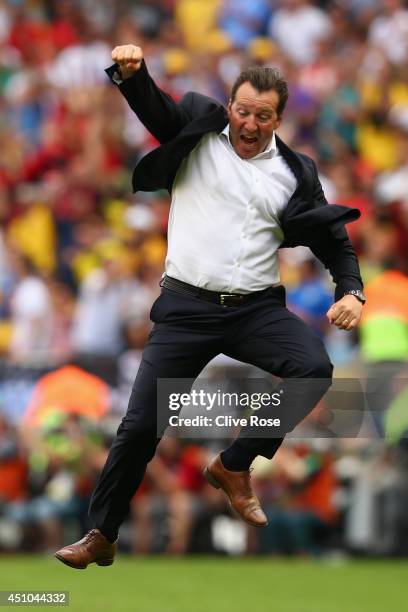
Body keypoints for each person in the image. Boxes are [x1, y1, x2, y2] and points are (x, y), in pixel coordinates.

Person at [55, 44, 365, 569]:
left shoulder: (295, 171)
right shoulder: (198, 131)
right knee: (138, 427)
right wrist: (133, 75)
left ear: (278, 119)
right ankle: (102, 533)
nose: (250, 122)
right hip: (185, 307)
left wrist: (351, 289)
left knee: (313, 366)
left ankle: (234, 464)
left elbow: (332, 238)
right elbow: (155, 108)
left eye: (262, 115)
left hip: (255, 310)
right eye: (242, 110)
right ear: (229, 107)